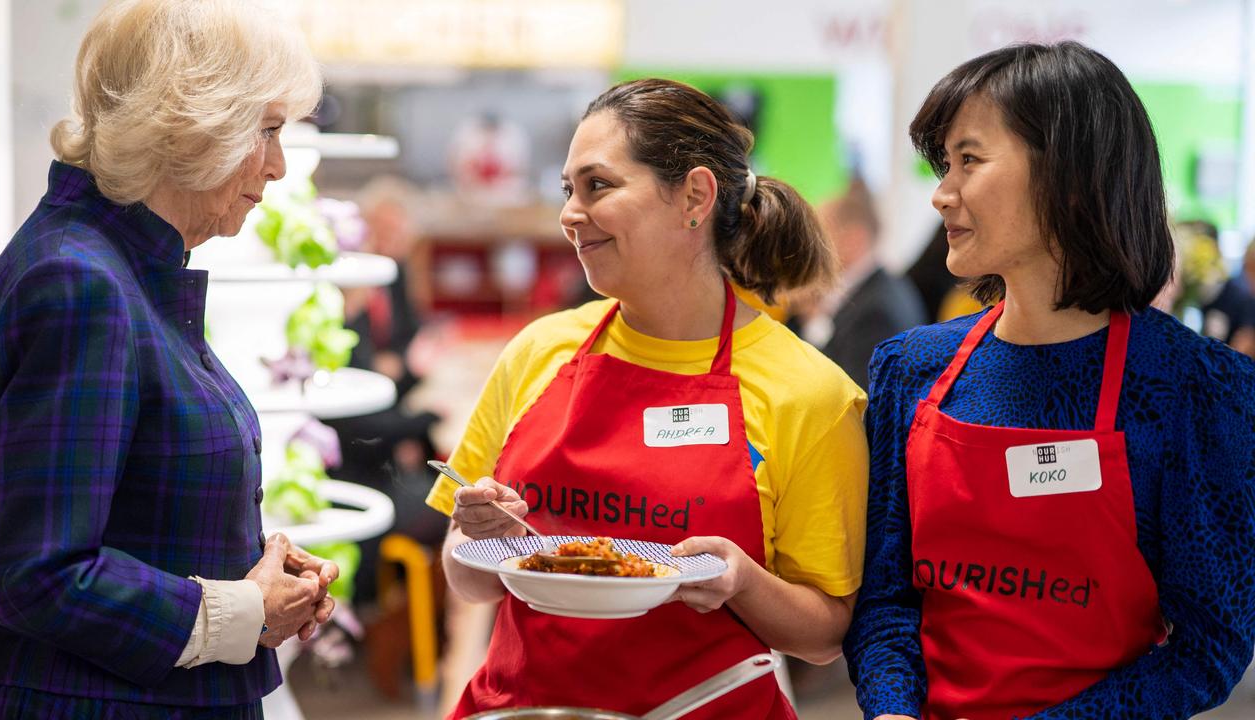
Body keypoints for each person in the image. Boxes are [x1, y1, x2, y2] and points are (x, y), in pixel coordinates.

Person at [426, 78, 868, 718]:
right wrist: (477, 534)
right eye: (567, 190)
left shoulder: (810, 394)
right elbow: (469, 580)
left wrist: (741, 581)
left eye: (598, 186)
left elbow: (826, 634)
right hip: (528, 707)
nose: (570, 214)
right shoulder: (539, 352)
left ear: (694, 195)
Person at [843, 41, 1255, 720]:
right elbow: (887, 601)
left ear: (1067, 175)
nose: (943, 193)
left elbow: (1207, 648)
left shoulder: (1195, 387)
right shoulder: (910, 368)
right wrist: (893, 711)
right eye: (945, 165)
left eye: (969, 160)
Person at [0, 1, 339, 717]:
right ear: (192, 121)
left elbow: (123, 503)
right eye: (265, 129)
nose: (277, 165)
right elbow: (38, 575)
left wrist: (256, 569)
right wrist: (240, 611)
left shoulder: (117, 266)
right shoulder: (81, 283)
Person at [789, 178, 925, 387]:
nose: (810, 248)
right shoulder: (876, 288)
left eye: (820, 236)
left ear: (854, 239)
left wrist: (813, 321)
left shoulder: (876, 312)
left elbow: (849, 395)